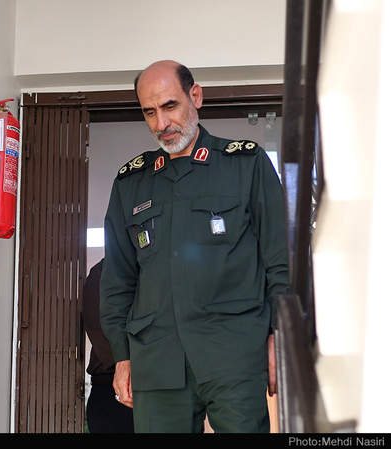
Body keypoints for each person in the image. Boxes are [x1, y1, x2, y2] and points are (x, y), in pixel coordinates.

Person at [99, 60, 289, 433]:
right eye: (149, 112)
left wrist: (279, 335)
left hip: (234, 354)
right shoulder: (131, 183)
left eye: (170, 106)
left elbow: (280, 259)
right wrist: (122, 356)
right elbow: (118, 280)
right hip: (157, 361)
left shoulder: (244, 164)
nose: (161, 123)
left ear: (196, 96)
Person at [83, 258, 134, 433]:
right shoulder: (102, 272)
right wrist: (124, 362)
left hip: (151, 386)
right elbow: (96, 325)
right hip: (112, 386)